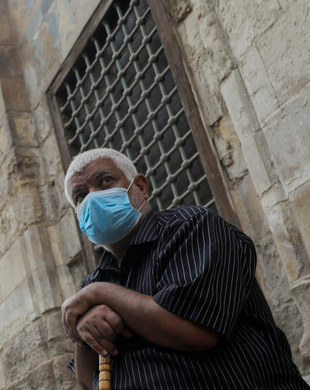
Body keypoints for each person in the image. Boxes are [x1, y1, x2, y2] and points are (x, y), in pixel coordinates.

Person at [61, 148, 309, 389]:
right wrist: (84, 334)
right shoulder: (95, 280)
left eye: (105, 181)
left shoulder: (191, 228)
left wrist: (101, 294)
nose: (93, 197)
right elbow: (88, 382)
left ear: (140, 186)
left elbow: (195, 333)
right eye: (81, 196)